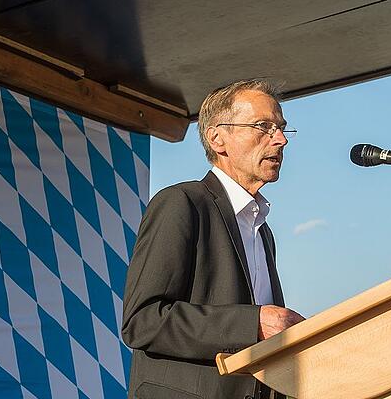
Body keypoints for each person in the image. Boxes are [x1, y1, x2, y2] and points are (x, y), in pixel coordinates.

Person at [122, 79, 305, 399]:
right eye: (263, 126)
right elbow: (143, 321)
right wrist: (254, 323)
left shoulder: (262, 231)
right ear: (218, 138)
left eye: (281, 128)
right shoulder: (181, 203)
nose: (279, 140)